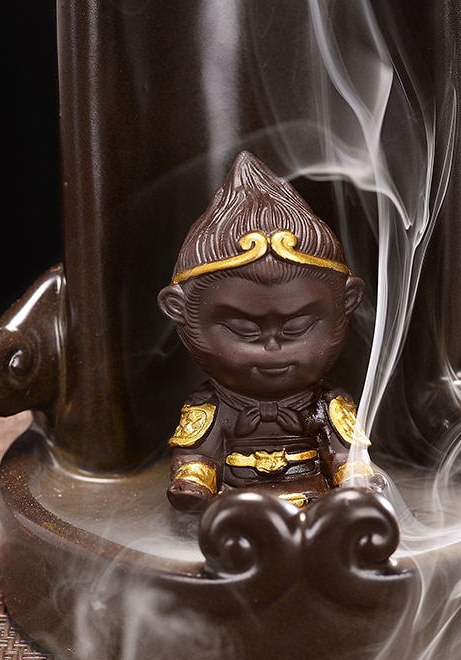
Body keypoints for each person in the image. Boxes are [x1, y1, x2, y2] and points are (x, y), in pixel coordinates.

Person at [157, 151, 377, 512]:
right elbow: (198, 455)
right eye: (244, 329)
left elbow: (345, 453)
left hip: (314, 498)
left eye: (298, 327)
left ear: (347, 302)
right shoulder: (210, 405)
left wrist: (355, 477)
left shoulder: (327, 404)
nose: (273, 348)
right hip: (236, 502)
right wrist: (194, 481)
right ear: (178, 310)